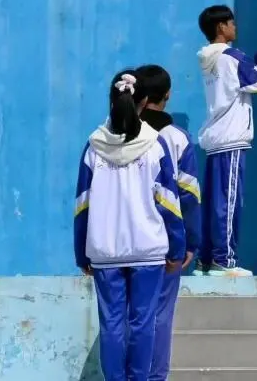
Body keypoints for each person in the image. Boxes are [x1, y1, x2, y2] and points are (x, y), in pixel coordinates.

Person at [73, 71, 186, 381]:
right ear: (144, 101)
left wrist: (81, 254)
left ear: (112, 100)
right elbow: (169, 203)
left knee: (111, 324)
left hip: (105, 251)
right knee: (142, 323)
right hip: (148, 250)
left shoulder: (93, 147)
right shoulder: (155, 144)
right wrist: (177, 248)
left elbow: (82, 205)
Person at [196, 5, 257, 277]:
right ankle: (225, 260)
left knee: (213, 203)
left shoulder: (209, 59)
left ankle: (206, 260)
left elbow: (241, 76)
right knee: (229, 202)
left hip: (214, 139)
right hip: (231, 139)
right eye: (231, 22)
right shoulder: (232, 57)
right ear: (221, 27)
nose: (235, 26)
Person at [134, 64, 201, 381]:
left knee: (127, 315)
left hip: (124, 240)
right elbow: (188, 195)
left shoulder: (115, 134)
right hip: (163, 239)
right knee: (159, 314)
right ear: (168, 95)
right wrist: (191, 241)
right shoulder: (177, 138)